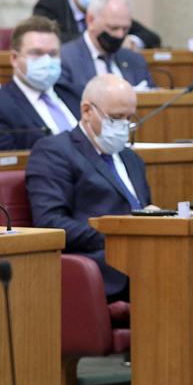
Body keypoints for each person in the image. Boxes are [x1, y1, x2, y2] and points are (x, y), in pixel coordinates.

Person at [26, 74, 155, 299]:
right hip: (103, 267)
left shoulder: (131, 158)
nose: (124, 126)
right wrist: (120, 237)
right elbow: (50, 222)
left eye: (129, 118)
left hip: (147, 259)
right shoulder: (55, 151)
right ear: (87, 111)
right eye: (116, 117)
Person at [0, 16, 79, 152]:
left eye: (52, 54)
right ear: (14, 58)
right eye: (37, 53)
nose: (46, 61)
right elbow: (5, 166)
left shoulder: (77, 95)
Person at [56, 0, 154, 97]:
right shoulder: (66, 58)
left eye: (125, 29)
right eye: (113, 28)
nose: (120, 35)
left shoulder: (135, 60)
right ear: (90, 20)